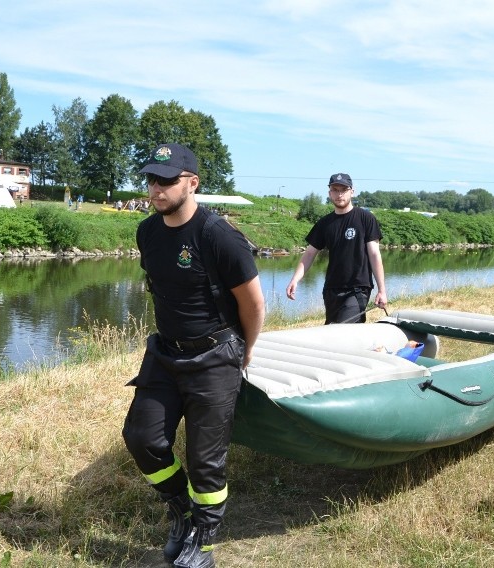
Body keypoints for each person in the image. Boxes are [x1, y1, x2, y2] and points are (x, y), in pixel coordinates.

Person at [121, 143, 265, 567]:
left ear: (192, 183)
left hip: (215, 356)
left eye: (166, 180)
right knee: (142, 438)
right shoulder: (147, 232)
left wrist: (247, 349)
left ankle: (204, 539)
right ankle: (180, 510)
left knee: (205, 460)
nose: (156, 189)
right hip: (165, 353)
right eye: (151, 179)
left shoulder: (219, 236)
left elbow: (254, 304)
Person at [285, 173, 387, 323]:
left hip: (357, 288)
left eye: (343, 190)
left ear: (352, 191)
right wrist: (295, 279)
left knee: (345, 331)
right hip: (331, 289)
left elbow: (374, 254)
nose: (339, 194)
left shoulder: (365, 218)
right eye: (335, 190)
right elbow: (309, 254)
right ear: (329, 193)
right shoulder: (324, 223)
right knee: (331, 331)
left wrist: (382, 290)